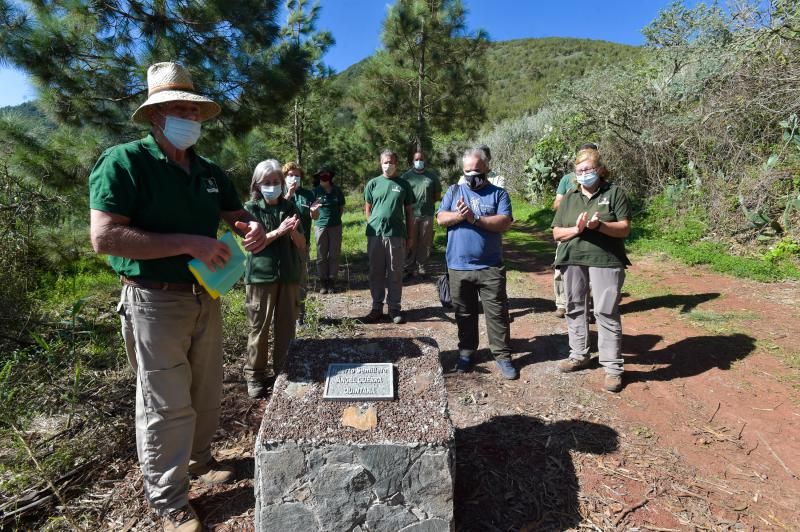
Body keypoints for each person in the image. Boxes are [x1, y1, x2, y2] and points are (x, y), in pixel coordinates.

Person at [88, 62, 267, 531]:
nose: (189, 116)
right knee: (165, 402)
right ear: (154, 116)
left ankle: (201, 463)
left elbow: (236, 214)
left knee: (206, 389)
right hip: (153, 300)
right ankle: (169, 500)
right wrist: (189, 242)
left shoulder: (207, 171)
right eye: (177, 108)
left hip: (205, 293)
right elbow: (105, 238)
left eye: (194, 109)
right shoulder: (125, 163)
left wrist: (252, 229)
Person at [552, 148, 631, 393]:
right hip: (572, 257)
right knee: (575, 306)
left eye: (588, 169)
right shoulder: (570, 197)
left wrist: (600, 226)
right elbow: (556, 233)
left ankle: (613, 368)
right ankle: (579, 354)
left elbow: (624, 228)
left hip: (606, 260)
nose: (584, 174)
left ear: (599, 169)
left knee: (605, 311)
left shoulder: (614, 193)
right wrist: (577, 229)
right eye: (579, 170)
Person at [436, 147, 517, 380]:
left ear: (487, 168)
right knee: (464, 313)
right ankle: (466, 352)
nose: (472, 174)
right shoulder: (454, 191)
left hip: (490, 266)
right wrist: (461, 216)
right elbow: (441, 218)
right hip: (458, 266)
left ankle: (502, 356)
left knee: (497, 313)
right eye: (467, 170)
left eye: (477, 170)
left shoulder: (499, 194)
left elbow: (503, 222)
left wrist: (475, 218)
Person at [242, 160, 305, 399]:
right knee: (259, 328)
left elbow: (302, 244)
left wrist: (293, 232)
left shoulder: (289, 207)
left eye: (276, 182)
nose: (272, 186)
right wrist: (279, 231)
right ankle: (255, 376)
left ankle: (283, 371)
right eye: (267, 182)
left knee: (286, 327)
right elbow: (252, 244)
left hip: (288, 275)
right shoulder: (250, 209)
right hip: (260, 277)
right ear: (257, 185)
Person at [362, 149, 415, 324]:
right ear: (380, 163)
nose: (388, 165)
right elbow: (367, 208)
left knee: (395, 272)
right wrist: (373, 223)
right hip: (375, 235)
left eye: (391, 162)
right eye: (385, 162)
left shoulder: (403, 184)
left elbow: (409, 213)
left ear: (396, 164)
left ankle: (394, 309)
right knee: (376, 272)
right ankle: (376, 308)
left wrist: (410, 236)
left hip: (397, 234)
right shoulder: (373, 184)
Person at [553, 143, 598, 318]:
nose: (584, 173)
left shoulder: (600, 180)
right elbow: (556, 204)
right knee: (561, 268)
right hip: (568, 229)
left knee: (590, 272)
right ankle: (562, 303)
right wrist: (572, 196)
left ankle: (587, 305)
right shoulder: (567, 179)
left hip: (592, 233)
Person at [282, 161, 315, 324]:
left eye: (297, 175)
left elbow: (314, 216)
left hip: (302, 243)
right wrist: (288, 194)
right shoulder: (278, 193)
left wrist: (314, 212)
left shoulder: (308, 194)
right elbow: (277, 212)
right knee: (284, 280)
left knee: (301, 279)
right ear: (284, 177)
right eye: (290, 175)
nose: (293, 178)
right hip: (281, 245)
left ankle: (300, 316)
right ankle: (285, 315)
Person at [401, 150, 442, 278]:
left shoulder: (432, 176)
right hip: (411, 215)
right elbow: (401, 195)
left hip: (427, 214)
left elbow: (436, 195)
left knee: (425, 242)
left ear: (425, 161)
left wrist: (427, 204)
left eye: (421, 159)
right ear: (413, 161)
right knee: (410, 241)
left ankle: (422, 266)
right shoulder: (406, 177)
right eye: (417, 159)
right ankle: (408, 267)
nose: (419, 161)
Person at [311, 166, 345, 294]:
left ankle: (332, 281)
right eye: (322, 174)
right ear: (318, 176)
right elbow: (311, 209)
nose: (324, 176)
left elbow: (341, 207)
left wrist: (335, 220)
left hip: (335, 226)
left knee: (334, 254)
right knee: (321, 255)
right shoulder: (315, 192)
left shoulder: (337, 191)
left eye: (327, 174)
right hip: (320, 226)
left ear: (331, 176)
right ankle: (323, 281)